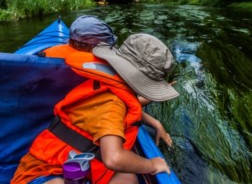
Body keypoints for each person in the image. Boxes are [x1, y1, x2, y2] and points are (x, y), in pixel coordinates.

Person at [11, 15, 179, 184]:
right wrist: (151, 164)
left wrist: (155, 123)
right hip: (45, 171)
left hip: (79, 165)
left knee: (128, 178)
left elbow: (125, 109)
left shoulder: (108, 86)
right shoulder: (112, 104)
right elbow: (114, 158)